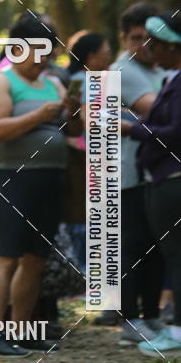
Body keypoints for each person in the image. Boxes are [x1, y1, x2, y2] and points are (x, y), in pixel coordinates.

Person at [0, 13, 82, 358]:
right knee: (6, 257)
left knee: (35, 258)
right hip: (14, 176)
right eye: (38, 53)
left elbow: (72, 133)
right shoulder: (2, 81)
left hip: (50, 178)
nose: (43, 61)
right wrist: (39, 116)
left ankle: (22, 331)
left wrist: (70, 114)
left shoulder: (53, 83)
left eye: (49, 54)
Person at [121, 13, 181, 356]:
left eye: (154, 44)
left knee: (180, 256)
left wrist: (130, 129)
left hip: (176, 180)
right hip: (166, 179)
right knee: (178, 255)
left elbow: (178, 133)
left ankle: (180, 332)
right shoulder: (176, 78)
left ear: (170, 46)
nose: (149, 51)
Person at [111, 3, 166, 346]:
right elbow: (158, 109)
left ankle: (152, 315)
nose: (144, 45)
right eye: (136, 38)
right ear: (124, 38)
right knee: (130, 248)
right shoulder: (124, 70)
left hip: (152, 173)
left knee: (155, 246)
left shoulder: (158, 69)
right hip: (127, 173)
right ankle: (130, 320)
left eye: (151, 38)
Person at [64, 31, 113, 274]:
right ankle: (85, 268)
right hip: (86, 158)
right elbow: (89, 121)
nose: (110, 55)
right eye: (106, 51)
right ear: (91, 56)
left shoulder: (74, 78)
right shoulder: (86, 81)